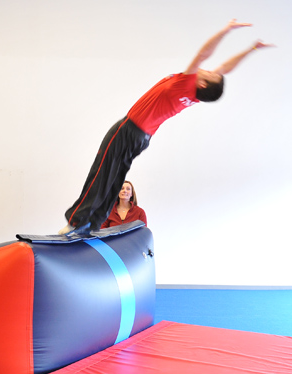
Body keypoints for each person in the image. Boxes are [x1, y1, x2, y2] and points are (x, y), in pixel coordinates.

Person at [60, 19, 273, 235]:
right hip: (142, 138)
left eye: (209, 74)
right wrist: (252, 49)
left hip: (129, 129)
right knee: (114, 179)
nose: (208, 69)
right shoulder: (194, 94)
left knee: (101, 172)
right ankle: (93, 224)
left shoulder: (185, 84)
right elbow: (225, 68)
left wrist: (226, 30)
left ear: (202, 83)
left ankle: (76, 222)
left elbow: (203, 54)